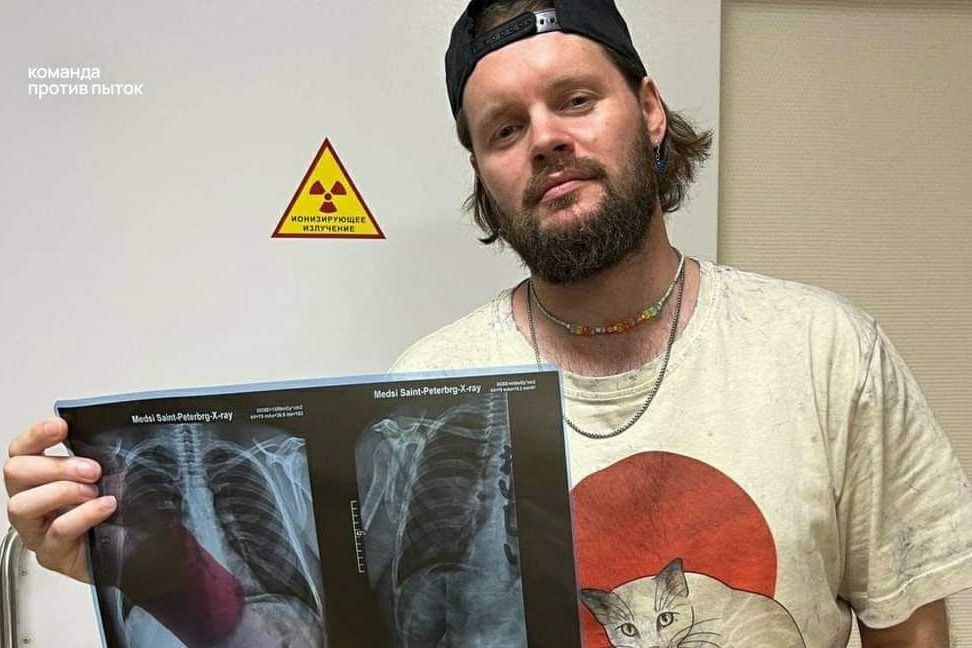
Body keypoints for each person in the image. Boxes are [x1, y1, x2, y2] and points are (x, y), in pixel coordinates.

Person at [5, 1, 972, 646]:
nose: (545, 139)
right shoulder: (424, 390)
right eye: (504, 129)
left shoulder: (825, 353)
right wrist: (143, 563)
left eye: (576, 100)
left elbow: (912, 632)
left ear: (648, 109)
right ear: (482, 171)